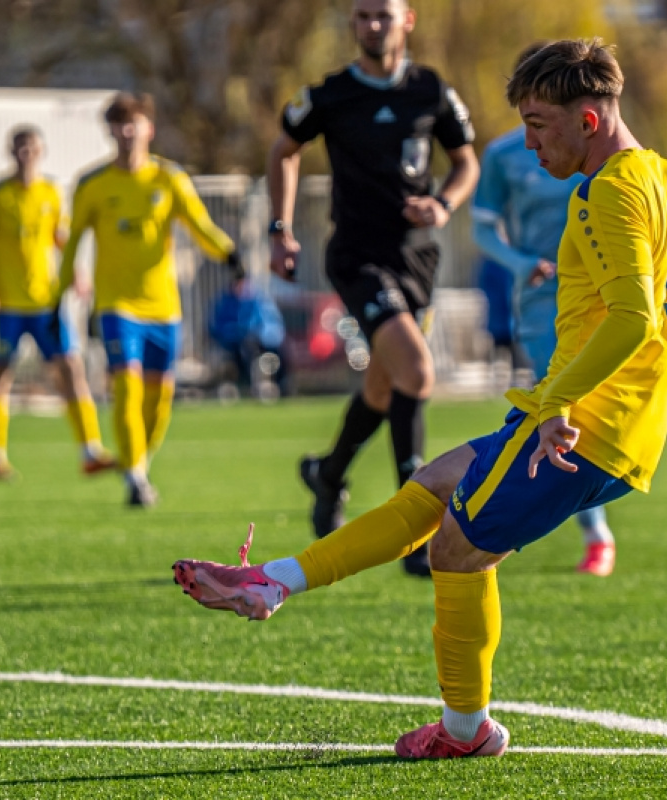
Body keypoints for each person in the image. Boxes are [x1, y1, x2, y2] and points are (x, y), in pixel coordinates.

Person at [173, 39, 667, 759]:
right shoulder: (650, 174)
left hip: (586, 423)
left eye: (538, 123)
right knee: (433, 484)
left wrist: (557, 401)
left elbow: (633, 317)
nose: (527, 143)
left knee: (457, 551)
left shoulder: (610, 192)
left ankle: (466, 731)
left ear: (587, 120)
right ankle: (272, 583)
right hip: (598, 414)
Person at [267, 0, 479, 576]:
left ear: (407, 20)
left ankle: (328, 473)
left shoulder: (432, 90)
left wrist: (441, 205)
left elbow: (466, 163)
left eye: (383, 15)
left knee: (387, 387)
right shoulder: (331, 94)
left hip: (417, 261)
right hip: (358, 258)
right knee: (417, 369)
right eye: (362, 16)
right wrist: (280, 230)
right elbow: (284, 149)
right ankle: (415, 528)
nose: (373, 26)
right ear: (353, 24)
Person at [472, 43, 617, 577]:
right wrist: (518, 262)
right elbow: (483, 227)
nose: (537, 139)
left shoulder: (605, 153)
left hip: (612, 300)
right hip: (541, 304)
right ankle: (595, 534)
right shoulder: (506, 154)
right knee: (561, 413)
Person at [59, 92, 243, 506]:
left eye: (134, 123)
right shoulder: (92, 185)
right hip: (116, 305)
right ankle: (136, 479)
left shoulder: (169, 178)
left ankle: (135, 460)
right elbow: (72, 245)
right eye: (119, 125)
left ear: (149, 128)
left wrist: (231, 255)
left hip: (163, 307)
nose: (127, 132)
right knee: (126, 386)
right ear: (110, 132)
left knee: (159, 402)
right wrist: (60, 292)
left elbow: (200, 226)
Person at [0, 126, 115, 479]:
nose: (26, 154)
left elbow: (58, 237)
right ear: (11, 152)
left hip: (47, 302)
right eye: (20, 148)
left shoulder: (50, 192)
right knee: (1, 374)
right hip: (8, 305)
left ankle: (90, 450)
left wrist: (76, 271)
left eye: (32, 148)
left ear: (42, 151)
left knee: (71, 368)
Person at [208, 276, 290, 398]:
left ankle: (282, 386)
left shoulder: (260, 301)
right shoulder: (226, 303)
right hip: (235, 344)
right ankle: (246, 384)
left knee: (278, 354)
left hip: (260, 343)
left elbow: (272, 325)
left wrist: (260, 335)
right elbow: (217, 327)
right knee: (244, 350)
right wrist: (236, 332)